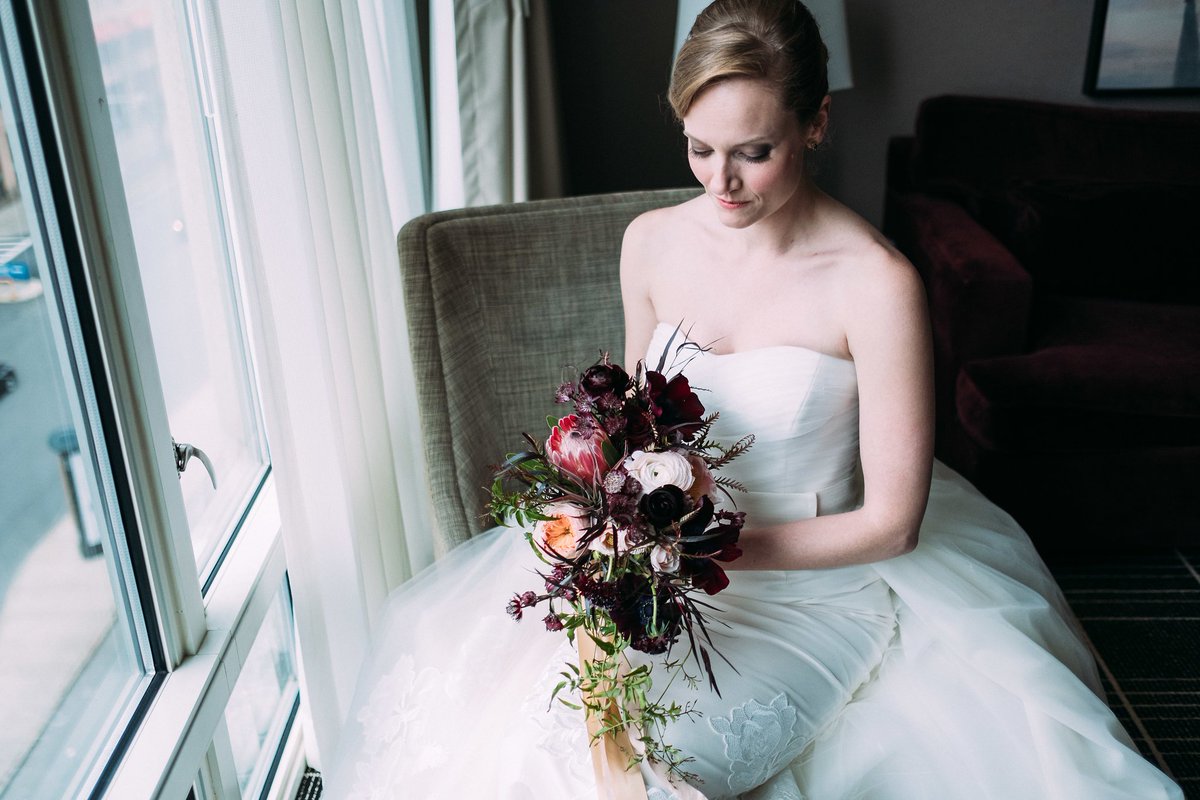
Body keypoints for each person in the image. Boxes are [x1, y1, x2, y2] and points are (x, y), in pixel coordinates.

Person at [324, 1, 1185, 797]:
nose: (721, 182)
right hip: (653, 574)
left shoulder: (876, 284)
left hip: (815, 593)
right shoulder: (651, 243)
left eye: (753, 151)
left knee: (643, 763)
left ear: (814, 124)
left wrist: (693, 553)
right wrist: (612, 525)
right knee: (510, 722)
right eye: (700, 147)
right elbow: (631, 427)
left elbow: (893, 524)